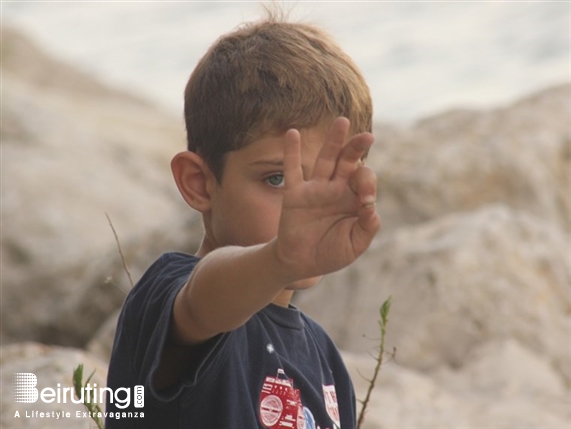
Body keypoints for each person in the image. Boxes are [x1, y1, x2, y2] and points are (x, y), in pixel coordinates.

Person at [106, 8, 380, 429]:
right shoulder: (169, 294)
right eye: (276, 178)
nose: (306, 204)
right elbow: (204, 302)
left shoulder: (323, 354)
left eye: (330, 178)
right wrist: (280, 258)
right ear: (199, 183)